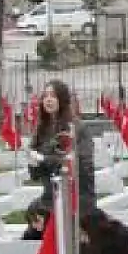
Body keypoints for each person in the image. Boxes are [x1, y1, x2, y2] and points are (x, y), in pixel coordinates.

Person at [28, 80, 97, 213]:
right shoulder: (41, 130)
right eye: (45, 96)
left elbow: (80, 163)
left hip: (77, 198)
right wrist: (33, 164)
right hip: (50, 198)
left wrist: (44, 159)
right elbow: (35, 176)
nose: (48, 100)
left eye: (53, 96)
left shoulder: (77, 128)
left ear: (62, 99)